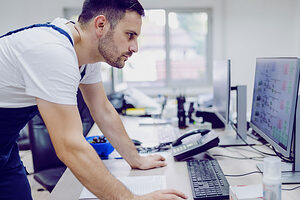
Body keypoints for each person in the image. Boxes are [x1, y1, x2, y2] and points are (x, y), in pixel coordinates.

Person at [0, 0, 188, 199]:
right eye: (130, 35)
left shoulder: (84, 54)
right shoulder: (52, 51)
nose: (135, 47)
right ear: (100, 25)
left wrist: (136, 159)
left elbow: (102, 109)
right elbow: (69, 146)